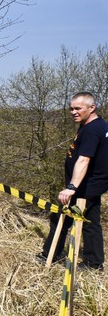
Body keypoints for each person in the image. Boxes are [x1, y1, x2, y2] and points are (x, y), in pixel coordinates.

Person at [39, 91, 108, 270]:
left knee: (65, 218)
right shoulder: (94, 125)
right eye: (71, 108)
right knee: (87, 221)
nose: (73, 112)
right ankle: (93, 262)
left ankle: (52, 256)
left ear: (92, 108)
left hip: (86, 186)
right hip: (89, 184)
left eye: (78, 108)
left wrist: (71, 187)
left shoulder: (93, 130)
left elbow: (84, 159)